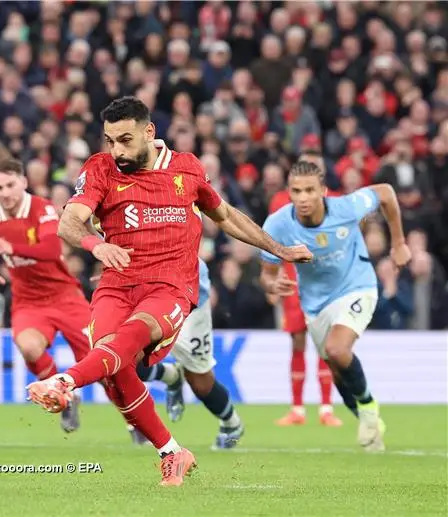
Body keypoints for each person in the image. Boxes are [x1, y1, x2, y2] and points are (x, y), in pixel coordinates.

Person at [25, 97, 312, 487]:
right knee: (115, 368)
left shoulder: (187, 168)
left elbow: (225, 216)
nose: (117, 151)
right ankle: (172, 453)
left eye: (125, 140)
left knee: (131, 341)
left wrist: (277, 249)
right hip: (116, 282)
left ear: (149, 132)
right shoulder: (100, 168)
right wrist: (97, 245)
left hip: (170, 286)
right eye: (110, 141)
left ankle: (64, 382)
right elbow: (69, 223)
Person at [259, 160, 411, 452]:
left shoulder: (346, 208)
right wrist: (272, 285)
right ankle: (368, 420)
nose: (303, 198)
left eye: (309, 190)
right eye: (296, 191)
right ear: (288, 192)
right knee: (337, 370)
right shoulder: (277, 224)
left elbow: (387, 193)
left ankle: (367, 406)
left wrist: (399, 242)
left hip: (358, 286)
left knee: (338, 350)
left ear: (323, 191)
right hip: (315, 304)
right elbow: (266, 275)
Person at [0, 158, 94, 433]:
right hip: (28, 300)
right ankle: (64, 397)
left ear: (23, 183)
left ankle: (134, 421)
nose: (4, 193)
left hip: (65, 295)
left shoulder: (42, 208)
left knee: (100, 362)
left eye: (9, 185)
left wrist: (12, 248)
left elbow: (51, 251)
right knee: (28, 347)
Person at [136, 257, 244, 450]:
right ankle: (170, 376)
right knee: (125, 358)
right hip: (142, 293)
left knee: (200, 381)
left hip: (188, 295)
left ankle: (231, 424)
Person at [268, 151, 342, 427]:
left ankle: (326, 408)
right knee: (297, 342)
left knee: (325, 344)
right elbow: (271, 241)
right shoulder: (280, 202)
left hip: (325, 285)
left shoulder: (334, 201)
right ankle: (297, 409)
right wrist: (271, 277)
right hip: (292, 282)